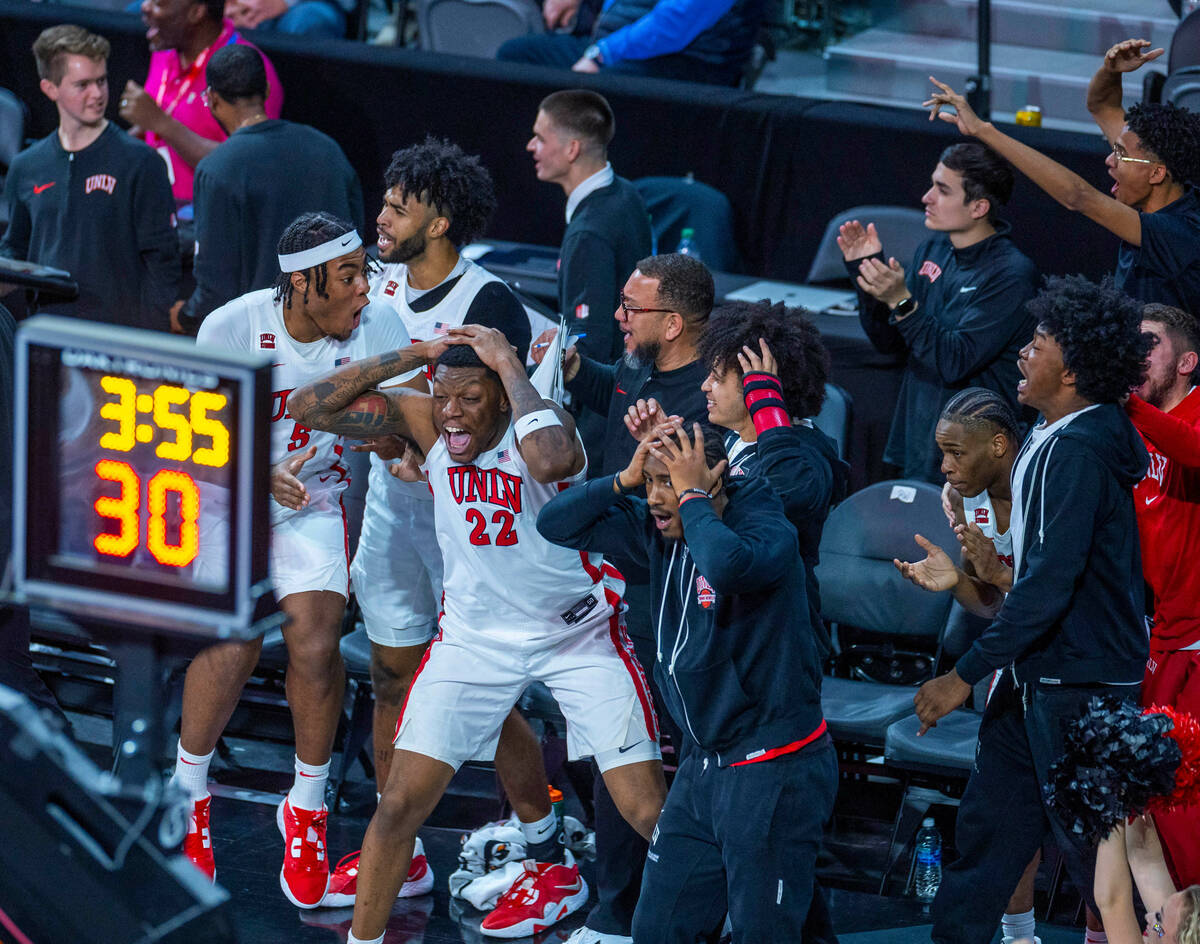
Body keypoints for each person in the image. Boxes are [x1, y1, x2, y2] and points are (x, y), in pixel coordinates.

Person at [286, 325, 666, 944]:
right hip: (473, 639)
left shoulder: (544, 425)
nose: (452, 413)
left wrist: (509, 366)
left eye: (470, 397)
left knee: (648, 810)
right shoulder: (431, 420)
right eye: (444, 397)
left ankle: (729, 917)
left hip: (576, 633)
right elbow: (310, 407)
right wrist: (415, 358)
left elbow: (550, 463)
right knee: (399, 806)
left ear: (502, 395)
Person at [315, 137, 547, 912]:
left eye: (396, 207)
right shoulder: (367, 287)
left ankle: (544, 842)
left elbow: (515, 421)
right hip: (391, 508)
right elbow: (336, 385)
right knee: (391, 675)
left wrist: (433, 447)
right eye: (383, 201)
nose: (378, 217)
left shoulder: (489, 302)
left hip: (466, 519)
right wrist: (384, 438)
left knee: (486, 693)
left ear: (440, 222)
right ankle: (401, 849)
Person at [177, 212, 410, 909]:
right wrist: (254, 471)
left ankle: (306, 808)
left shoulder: (379, 328)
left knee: (315, 639)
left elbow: (405, 425)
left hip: (314, 503)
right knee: (238, 637)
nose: (363, 292)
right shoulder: (234, 325)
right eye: (346, 279)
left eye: (363, 275)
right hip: (228, 497)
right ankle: (190, 793)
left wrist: (389, 438)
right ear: (304, 284)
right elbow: (185, 438)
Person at [912, 275, 1153, 944]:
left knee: (1093, 861)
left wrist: (963, 673)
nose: (1022, 352)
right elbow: (1038, 578)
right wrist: (985, 575)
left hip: (1082, 686)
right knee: (990, 833)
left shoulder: (1076, 451)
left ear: (1072, 370)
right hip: (1038, 676)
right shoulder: (1052, 438)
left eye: (1038, 344)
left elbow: (1050, 588)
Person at [537, 420, 836, 943]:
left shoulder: (766, 523)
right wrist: (623, 480)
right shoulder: (662, 524)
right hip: (701, 772)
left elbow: (727, 568)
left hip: (771, 770)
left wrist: (693, 495)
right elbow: (554, 524)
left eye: (666, 482)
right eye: (651, 482)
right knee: (657, 929)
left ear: (715, 476)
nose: (656, 498)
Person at [531, 252, 712, 944]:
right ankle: (619, 903)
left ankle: (645, 909)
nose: (617, 316)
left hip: (659, 591)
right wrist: (583, 375)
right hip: (603, 578)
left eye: (631, 309)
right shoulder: (640, 362)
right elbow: (619, 390)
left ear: (671, 324)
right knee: (601, 744)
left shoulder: (705, 398)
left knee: (641, 753)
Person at [924, 59, 1200, 314]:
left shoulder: (1181, 233)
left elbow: (1077, 196)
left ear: (1156, 173)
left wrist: (982, 130)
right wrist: (1111, 70)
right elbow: (1102, 105)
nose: (1108, 160)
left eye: (1119, 154)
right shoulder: (1157, 174)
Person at [838, 141, 1038, 483]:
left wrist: (900, 300)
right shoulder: (933, 248)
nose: (926, 197)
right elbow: (891, 343)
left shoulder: (1010, 275)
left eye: (942, 190)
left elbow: (954, 360)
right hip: (917, 439)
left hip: (976, 456)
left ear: (978, 207)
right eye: (933, 184)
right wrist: (868, 277)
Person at [0, 25, 179, 331]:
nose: (97, 94)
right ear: (50, 88)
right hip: (46, 334)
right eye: (82, 85)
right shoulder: (26, 166)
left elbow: (162, 262)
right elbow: (15, 248)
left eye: (101, 81)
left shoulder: (141, 162)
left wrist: (151, 337)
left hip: (117, 338)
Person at [696, 300, 847, 659]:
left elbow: (787, 495)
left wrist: (767, 404)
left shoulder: (808, 456)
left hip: (776, 648)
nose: (705, 386)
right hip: (723, 635)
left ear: (760, 387)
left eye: (718, 378)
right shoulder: (726, 442)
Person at [179, 44, 361, 330]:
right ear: (265, 90)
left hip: (261, 343)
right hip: (336, 332)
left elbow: (215, 286)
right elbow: (355, 240)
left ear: (213, 99)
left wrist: (184, 316)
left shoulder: (217, 170)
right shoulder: (327, 149)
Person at [528, 90, 651, 460]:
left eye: (540, 137)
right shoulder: (626, 195)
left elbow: (590, 340)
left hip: (601, 424)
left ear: (572, 149)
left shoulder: (589, 233)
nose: (531, 146)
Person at [1125, 303, 1200, 889]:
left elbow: (1190, 449)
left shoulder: (1190, 417)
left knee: (1182, 796)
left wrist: (1123, 399)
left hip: (1198, 641)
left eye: (1148, 343)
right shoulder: (1135, 426)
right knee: (1145, 791)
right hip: (1160, 629)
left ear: (1186, 361)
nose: (1134, 354)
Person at [121, 0, 283, 205]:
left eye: (159, 3)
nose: (144, 7)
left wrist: (162, 124)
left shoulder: (245, 67)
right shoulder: (165, 51)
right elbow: (159, 124)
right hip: (152, 205)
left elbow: (247, 166)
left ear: (196, 12)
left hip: (209, 218)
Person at [894, 388, 1020, 620]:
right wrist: (956, 580)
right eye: (943, 452)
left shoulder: (1045, 495)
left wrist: (1000, 574)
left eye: (957, 453)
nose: (945, 467)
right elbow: (994, 606)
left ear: (998, 445)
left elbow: (1057, 592)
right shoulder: (961, 498)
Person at [496, 0, 764, 86]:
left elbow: (674, 25)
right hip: (615, 46)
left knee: (593, 92)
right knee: (517, 56)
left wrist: (601, 54)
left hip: (688, 61)